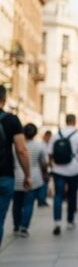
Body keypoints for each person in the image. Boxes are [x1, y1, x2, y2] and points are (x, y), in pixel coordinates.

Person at [0, 85, 31, 245]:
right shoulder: (11, 120)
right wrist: (27, 175)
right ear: (4, 100)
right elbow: (21, 150)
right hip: (4, 176)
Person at [48, 113, 78, 235]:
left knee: (58, 196)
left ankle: (57, 222)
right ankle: (70, 221)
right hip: (74, 170)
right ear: (75, 121)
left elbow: (50, 153)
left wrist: (52, 165)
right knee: (72, 195)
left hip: (58, 169)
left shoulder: (56, 135)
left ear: (66, 121)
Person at [13, 123, 48, 237]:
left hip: (16, 177)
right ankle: (24, 227)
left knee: (17, 204)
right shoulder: (40, 145)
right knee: (28, 204)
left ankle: (16, 225)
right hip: (34, 178)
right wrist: (44, 172)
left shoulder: (14, 145)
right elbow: (44, 162)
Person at [38, 129, 52, 207]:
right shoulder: (41, 144)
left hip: (46, 166)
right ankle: (41, 200)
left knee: (45, 183)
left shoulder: (47, 144)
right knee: (43, 183)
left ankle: (42, 199)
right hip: (43, 166)